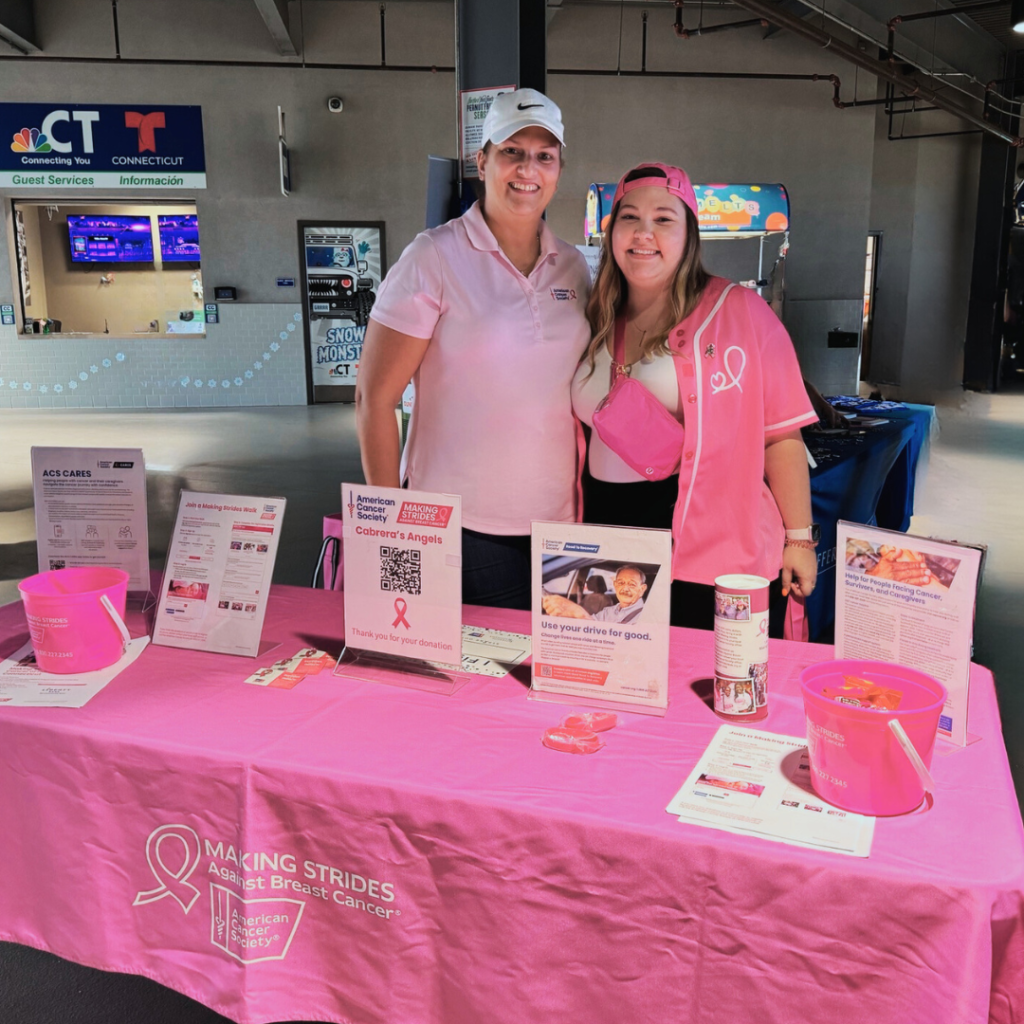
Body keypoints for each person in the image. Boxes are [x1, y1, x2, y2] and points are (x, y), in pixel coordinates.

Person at [355, 89, 591, 609]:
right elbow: (374, 399)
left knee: (559, 680)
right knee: (476, 681)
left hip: (562, 526)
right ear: (482, 160)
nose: (528, 168)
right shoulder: (434, 257)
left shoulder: (575, 267)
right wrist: (392, 525)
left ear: (558, 168)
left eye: (544, 156)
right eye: (512, 151)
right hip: (460, 527)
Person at [571, 163, 820, 635]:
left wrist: (800, 541)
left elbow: (781, 434)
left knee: (701, 686)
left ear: (689, 234)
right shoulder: (594, 313)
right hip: (602, 533)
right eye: (630, 217)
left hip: (703, 538)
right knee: (613, 677)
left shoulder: (742, 313)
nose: (644, 233)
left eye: (664, 219)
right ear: (611, 231)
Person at [542, 565, 648, 624]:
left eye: (632, 584)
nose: (625, 588)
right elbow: (590, 625)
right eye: (620, 583)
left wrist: (579, 613)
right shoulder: (608, 611)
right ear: (615, 585)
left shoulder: (648, 616)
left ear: (642, 589)